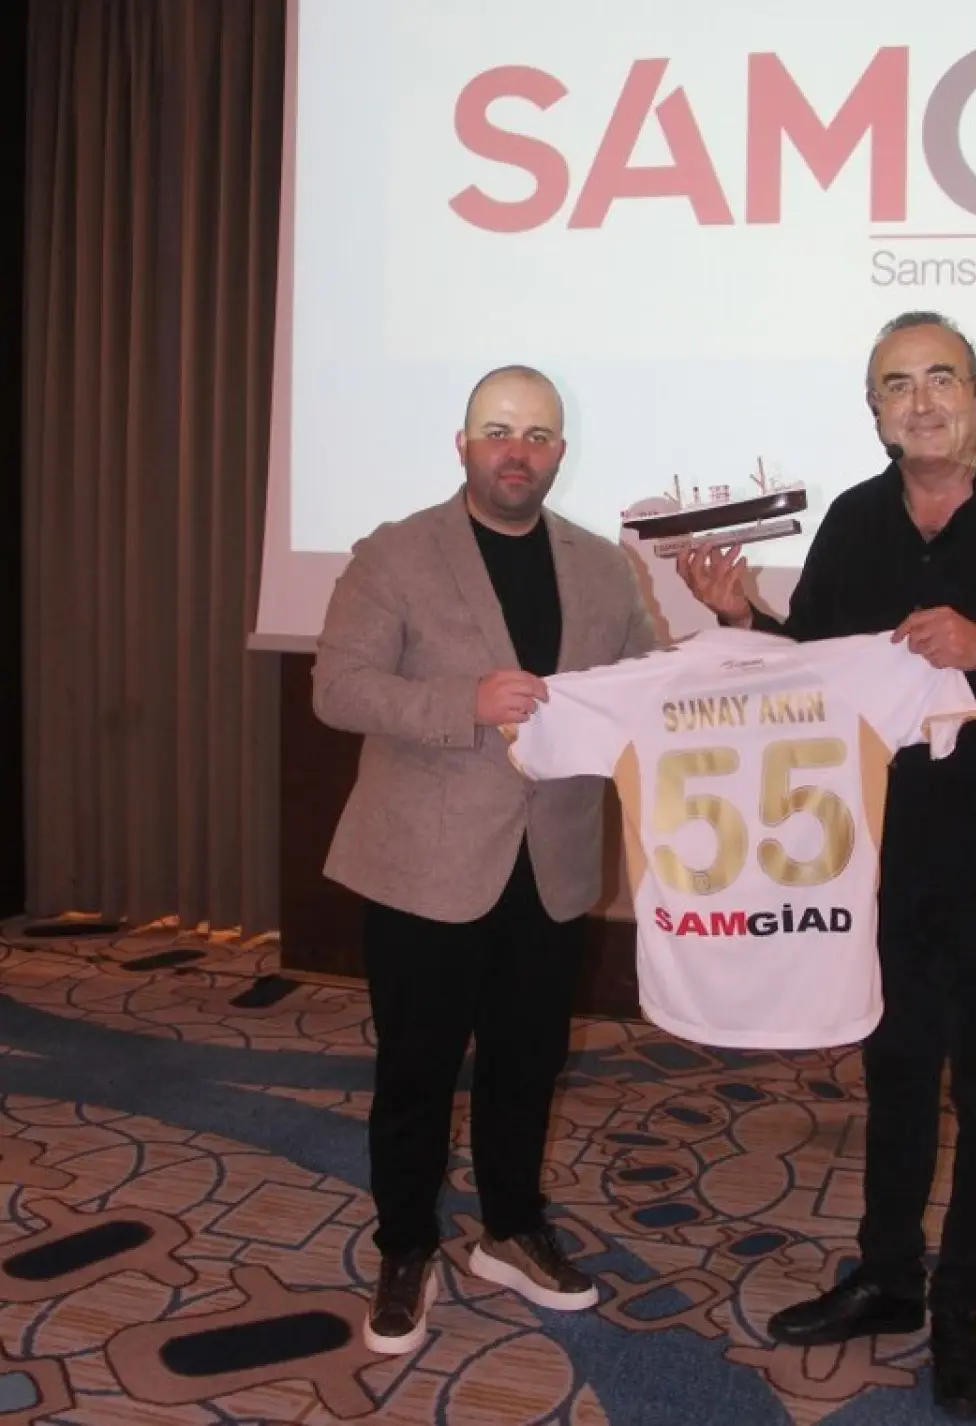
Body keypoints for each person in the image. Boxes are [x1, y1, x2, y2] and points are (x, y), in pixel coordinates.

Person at [676, 312, 976, 1418]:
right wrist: (746, 616)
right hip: (882, 850)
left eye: (942, 378)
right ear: (874, 410)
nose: (922, 400)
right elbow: (820, 671)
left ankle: (962, 1307)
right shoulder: (854, 519)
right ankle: (888, 1278)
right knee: (893, 1075)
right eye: (898, 384)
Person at [313, 364, 655, 1355]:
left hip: (550, 860)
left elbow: (642, 683)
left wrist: (728, 632)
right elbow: (338, 687)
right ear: (462, 445)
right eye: (498, 431)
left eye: (538, 435)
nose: (518, 450)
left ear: (560, 453)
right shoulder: (395, 552)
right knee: (415, 1072)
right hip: (423, 863)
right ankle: (405, 1246)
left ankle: (509, 1230)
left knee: (527, 1064)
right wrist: (460, 703)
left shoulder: (600, 566)